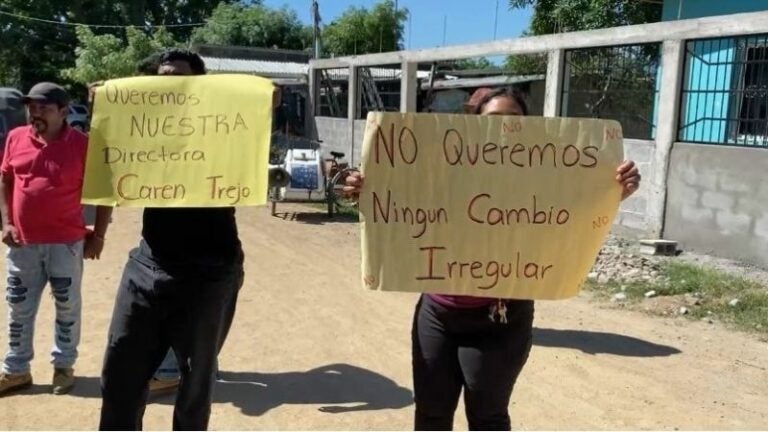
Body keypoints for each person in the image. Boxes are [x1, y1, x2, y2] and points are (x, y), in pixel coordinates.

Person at [344, 87, 641, 431]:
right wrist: (364, 187)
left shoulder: (546, 173)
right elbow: (402, 192)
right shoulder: (443, 164)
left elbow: (576, 208)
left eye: (514, 120)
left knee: (487, 417)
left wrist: (612, 188)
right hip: (438, 313)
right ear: (475, 125)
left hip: (501, 319)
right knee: (431, 413)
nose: (504, 129)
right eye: (493, 121)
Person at [98, 49, 244, 430]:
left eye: (180, 77)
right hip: (148, 263)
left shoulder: (224, 124)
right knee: (119, 373)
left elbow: (269, 95)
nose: (170, 85)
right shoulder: (146, 126)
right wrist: (112, 100)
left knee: (195, 386)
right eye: (163, 78)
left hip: (210, 272)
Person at [0, 82, 112, 396]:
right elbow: (6, 178)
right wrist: (7, 223)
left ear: (63, 112)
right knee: (18, 308)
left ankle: (63, 367)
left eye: (44, 108)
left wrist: (99, 235)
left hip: (66, 243)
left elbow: (105, 192)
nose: (36, 113)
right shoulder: (15, 137)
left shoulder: (83, 146)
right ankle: (16, 370)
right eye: (31, 107)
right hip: (23, 244)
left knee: (67, 307)